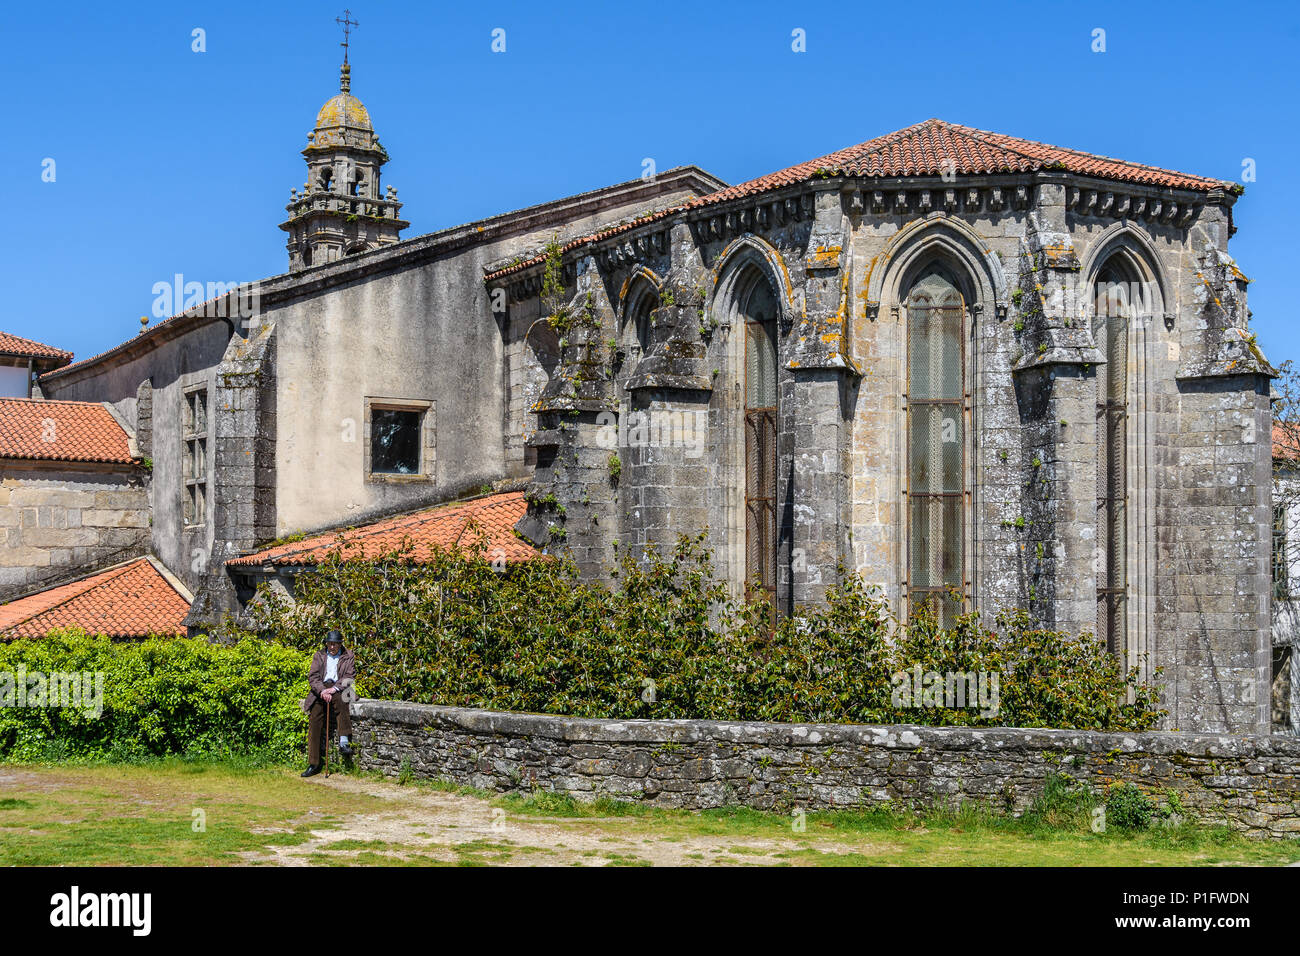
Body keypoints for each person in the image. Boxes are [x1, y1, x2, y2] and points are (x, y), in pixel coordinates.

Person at [301, 630, 356, 778]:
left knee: (342, 701)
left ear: (340, 644)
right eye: (330, 644)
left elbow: (349, 676)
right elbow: (313, 677)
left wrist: (334, 689)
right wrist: (322, 691)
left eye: (335, 644)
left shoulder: (348, 655)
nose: (332, 647)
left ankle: (344, 742)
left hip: (339, 687)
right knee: (314, 718)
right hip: (321, 688)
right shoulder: (319, 655)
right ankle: (314, 763)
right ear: (326, 643)